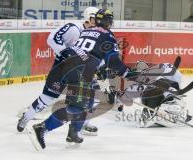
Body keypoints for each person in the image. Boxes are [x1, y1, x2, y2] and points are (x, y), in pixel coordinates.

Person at [27, 9, 136, 150]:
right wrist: (128, 74)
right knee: (76, 107)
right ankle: (42, 128)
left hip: (66, 66)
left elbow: (88, 53)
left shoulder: (85, 31)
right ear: (108, 22)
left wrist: (100, 70)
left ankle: (74, 132)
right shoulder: (108, 36)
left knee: (89, 100)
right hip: (80, 72)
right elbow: (113, 61)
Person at [17, 6, 99, 136]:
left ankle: (82, 125)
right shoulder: (74, 28)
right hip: (62, 70)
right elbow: (52, 38)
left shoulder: (95, 34)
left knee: (88, 98)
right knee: (47, 99)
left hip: (79, 74)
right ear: (88, 18)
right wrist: (66, 54)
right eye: (96, 18)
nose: (99, 21)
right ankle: (26, 117)